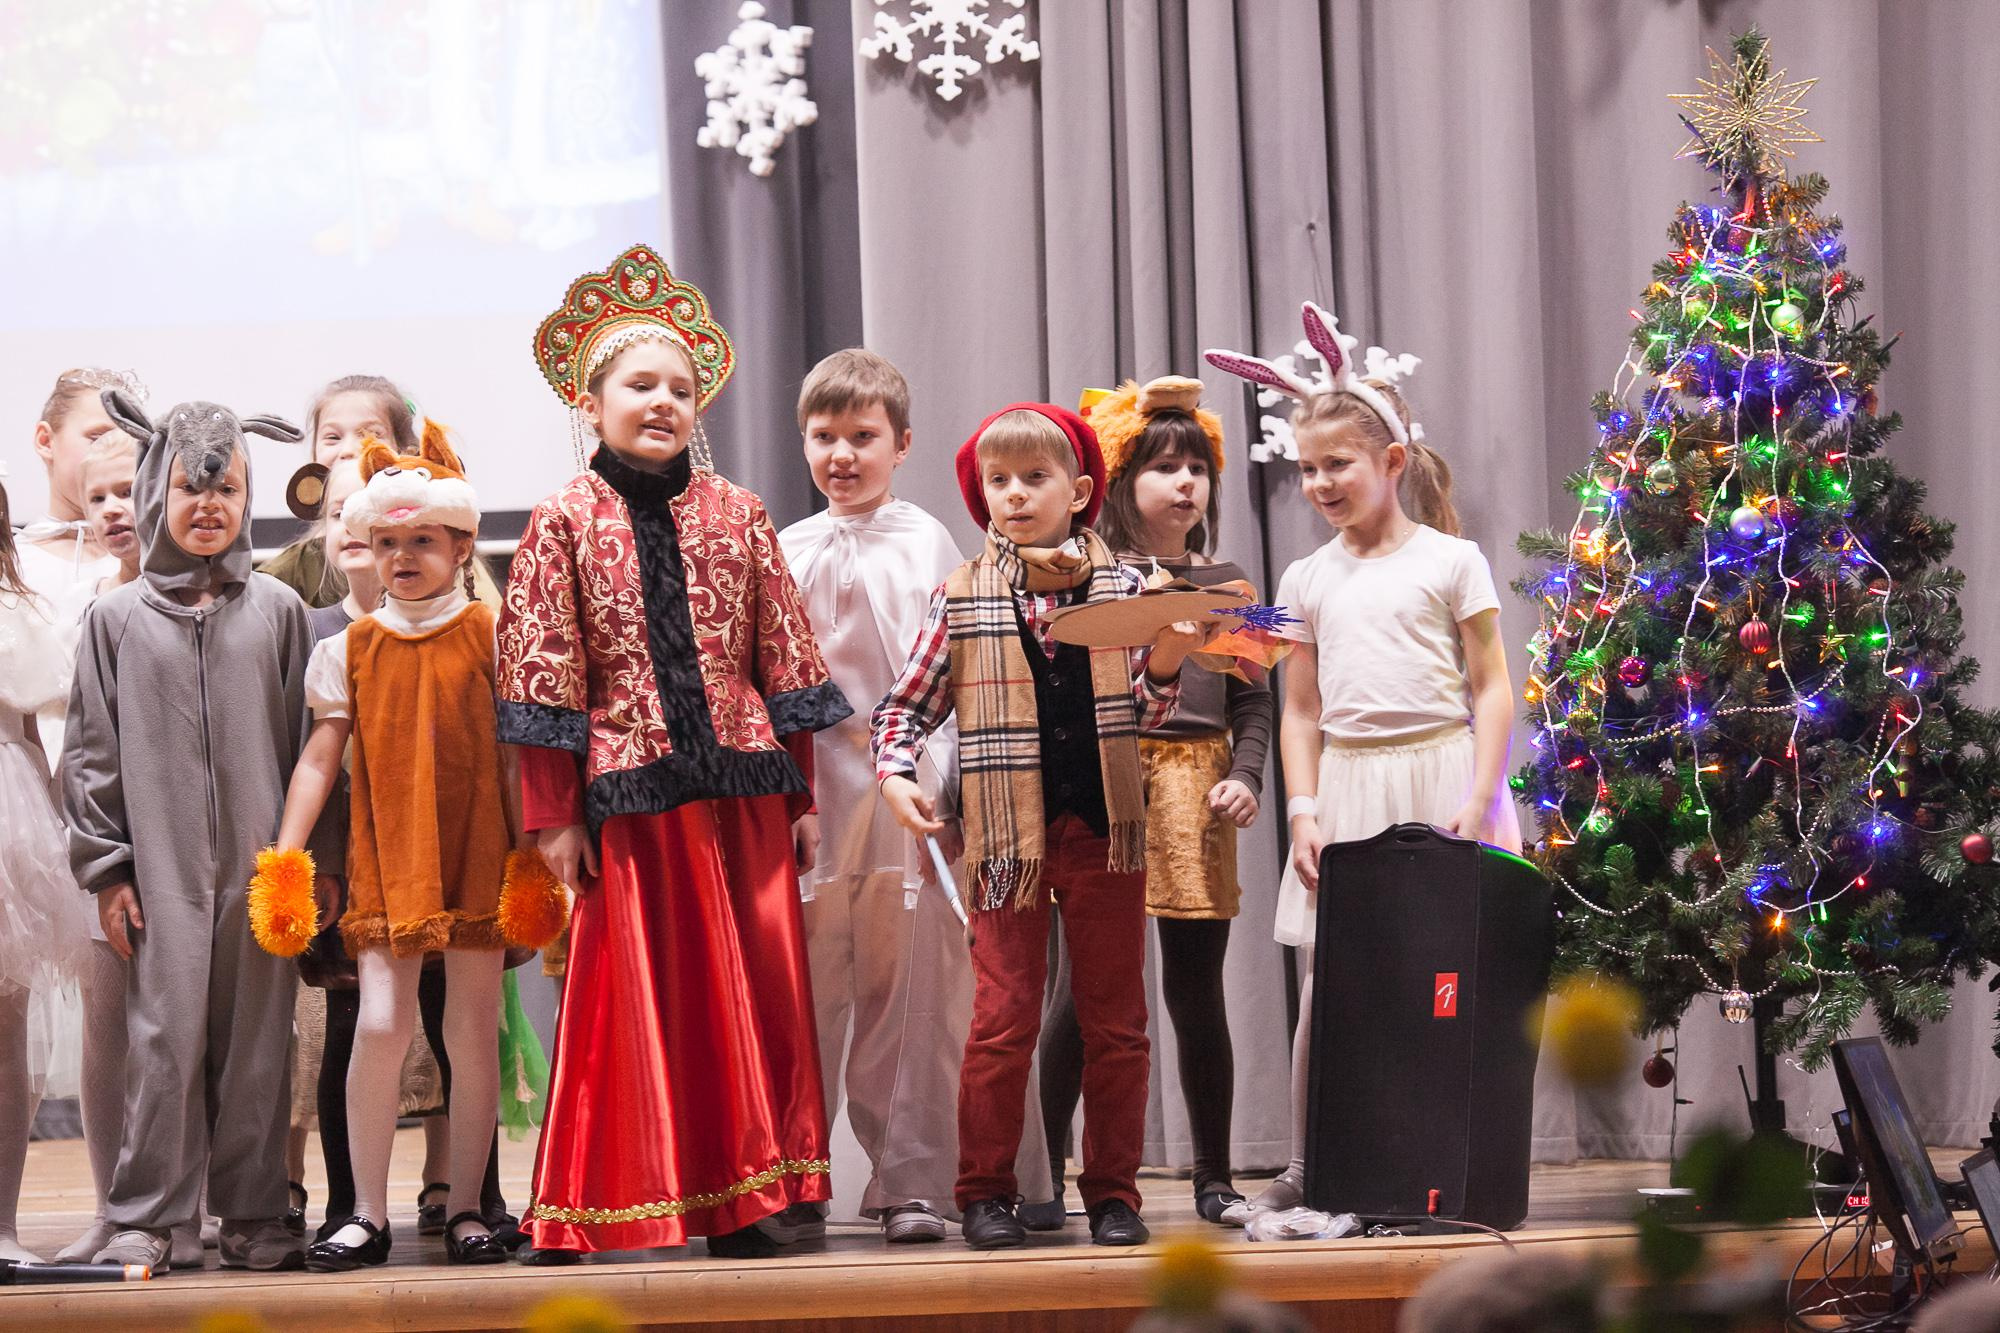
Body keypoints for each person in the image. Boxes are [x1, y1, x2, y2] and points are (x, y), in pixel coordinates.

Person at [499, 244, 850, 1261]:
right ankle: (614, 1202)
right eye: (638, 384)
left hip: (744, 787)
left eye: (680, 388)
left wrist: (803, 795)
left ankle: (757, 1197)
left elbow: (784, 658)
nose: (661, 401)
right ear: (591, 400)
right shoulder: (563, 519)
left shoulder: (738, 513)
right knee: (631, 999)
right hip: (626, 791)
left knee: (757, 988)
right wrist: (553, 814)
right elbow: (541, 676)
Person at [1206, 302, 1520, 1212]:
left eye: (1336, 463)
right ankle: (1311, 1167)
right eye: (1306, 469)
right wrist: (1304, 809)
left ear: (1390, 461)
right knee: (1329, 994)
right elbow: (1296, 706)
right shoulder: (1301, 581)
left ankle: (1452, 1163)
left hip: (1441, 774)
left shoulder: (1454, 559)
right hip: (1347, 786)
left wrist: (1478, 795)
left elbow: (1493, 685)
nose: (1319, 482)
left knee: (1447, 989)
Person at [871, 402, 1204, 1249]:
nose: (1013, 495)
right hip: (1005, 840)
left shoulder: (1131, 591)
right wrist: (895, 771)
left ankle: (1114, 1193)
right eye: (998, 481)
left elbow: (1143, 713)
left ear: (1081, 489)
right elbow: (900, 709)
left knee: (1116, 1022)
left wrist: (1166, 657)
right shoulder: (961, 598)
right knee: (1002, 1019)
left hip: (1103, 832)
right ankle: (984, 1190)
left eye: (1034, 478)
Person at [777, 349, 1053, 1245]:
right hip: (814, 789)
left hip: (908, 787)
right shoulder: (786, 547)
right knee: (806, 983)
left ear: (901, 444)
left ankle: (914, 1179)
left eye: (862, 437)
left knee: (915, 989)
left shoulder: (926, 541)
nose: (842, 455)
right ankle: (793, 1170)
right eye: (825, 438)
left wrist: (937, 776)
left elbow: (955, 679)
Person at [262, 426, 543, 1271]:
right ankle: (363, 1212)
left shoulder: (493, 631)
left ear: (462, 544)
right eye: (387, 541)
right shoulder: (344, 649)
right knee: (379, 1024)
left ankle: (464, 1206)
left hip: (477, 856)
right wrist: (287, 856)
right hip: (393, 863)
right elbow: (321, 755)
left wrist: (531, 849)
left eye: (423, 539)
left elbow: (517, 753)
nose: (403, 555)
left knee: (470, 1026)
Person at [62, 390, 315, 1272]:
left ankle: (251, 1210)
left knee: (256, 1042)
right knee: (163, 1040)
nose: (210, 506)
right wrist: (108, 868)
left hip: (259, 870)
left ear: (249, 501)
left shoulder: (278, 615)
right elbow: (91, 754)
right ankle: (147, 1214)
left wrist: (302, 868)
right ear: (153, 494)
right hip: (159, 870)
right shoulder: (115, 620)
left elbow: (301, 746)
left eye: (230, 491)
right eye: (189, 488)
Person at [1035, 377, 1272, 1227]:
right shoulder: (1089, 574)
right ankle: (1049, 1171)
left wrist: (1246, 775)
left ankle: (1213, 1172)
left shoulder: (1235, 580)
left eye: (1198, 467)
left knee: (1195, 991)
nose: (1185, 483)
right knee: (1079, 992)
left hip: (1200, 790)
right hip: (1107, 782)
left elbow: (1254, 699)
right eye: (1164, 466)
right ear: (1122, 478)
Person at [0, 481, 94, 1263]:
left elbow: (41, 711)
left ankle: (0, 1226)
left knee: (6, 1028)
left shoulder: (19, 605)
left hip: (10, 816)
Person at [260, 375, 502, 611]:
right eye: (332, 438)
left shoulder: (443, 551)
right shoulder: (299, 566)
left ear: (405, 453)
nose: (350, 450)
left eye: (371, 436)